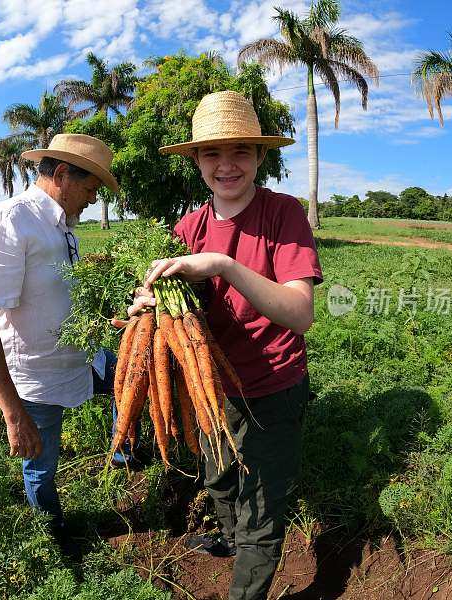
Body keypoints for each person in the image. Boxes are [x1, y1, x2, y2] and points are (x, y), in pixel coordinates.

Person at [128, 91, 323, 600]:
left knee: (262, 510)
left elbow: (300, 314)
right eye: (212, 153)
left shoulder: (283, 215)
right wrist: (144, 307)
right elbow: (177, 307)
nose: (226, 165)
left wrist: (222, 265)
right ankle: (230, 537)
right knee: (217, 476)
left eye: (240, 151)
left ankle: (247, 581)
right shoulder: (187, 227)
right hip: (207, 387)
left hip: (272, 387)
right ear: (195, 160)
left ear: (261, 156)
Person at [0, 133, 126, 542]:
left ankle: (123, 452)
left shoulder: (62, 226)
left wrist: (110, 319)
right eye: (90, 189)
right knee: (40, 464)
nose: (92, 200)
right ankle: (56, 538)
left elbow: (58, 295)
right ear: (63, 175)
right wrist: (14, 415)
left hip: (81, 358)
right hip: (36, 379)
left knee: (133, 378)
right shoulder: (11, 222)